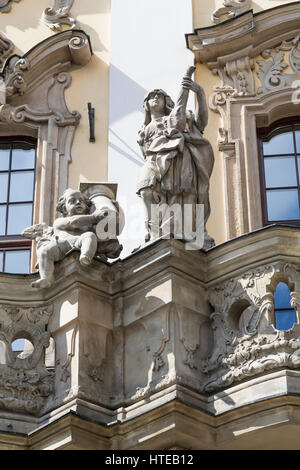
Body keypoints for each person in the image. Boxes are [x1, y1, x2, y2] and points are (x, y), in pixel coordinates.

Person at [137, 66, 215, 248]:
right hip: (157, 160)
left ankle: (186, 232)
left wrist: (201, 94)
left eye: (159, 95)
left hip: (182, 158)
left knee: (185, 194)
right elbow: (146, 152)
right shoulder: (144, 130)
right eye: (151, 96)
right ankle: (154, 231)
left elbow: (201, 122)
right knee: (146, 189)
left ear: (167, 101)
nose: (155, 98)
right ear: (146, 105)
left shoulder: (183, 116)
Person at [22, 188, 106, 288]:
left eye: (81, 201)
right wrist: (94, 217)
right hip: (61, 245)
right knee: (45, 251)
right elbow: (74, 222)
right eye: (72, 201)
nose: (78, 202)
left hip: (78, 242)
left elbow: (100, 239)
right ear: (64, 208)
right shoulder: (59, 221)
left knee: (90, 236)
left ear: (86, 206)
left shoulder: (88, 227)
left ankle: (86, 256)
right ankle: (46, 278)